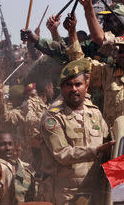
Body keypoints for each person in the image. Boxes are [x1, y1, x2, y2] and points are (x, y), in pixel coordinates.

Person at [40, 59, 113, 205]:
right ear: (61, 88)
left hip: (98, 188)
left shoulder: (94, 112)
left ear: (86, 86)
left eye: (78, 84)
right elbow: (62, 154)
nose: (74, 89)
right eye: (68, 85)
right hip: (69, 193)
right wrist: (96, 150)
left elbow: (107, 140)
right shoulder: (52, 118)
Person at [0, 132, 35, 203]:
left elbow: (30, 199)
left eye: (10, 144)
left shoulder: (25, 170)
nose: (8, 148)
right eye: (2, 144)